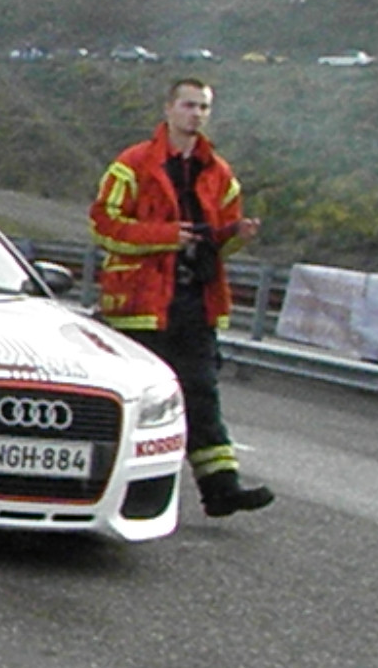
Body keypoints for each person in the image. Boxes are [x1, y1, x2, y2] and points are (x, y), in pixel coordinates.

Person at [90, 78, 273, 516]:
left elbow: (218, 242)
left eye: (204, 107)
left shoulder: (220, 175)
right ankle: (119, 486)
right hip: (139, 308)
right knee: (137, 403)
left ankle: (222, 487)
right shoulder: (133, 165)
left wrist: (236, 237)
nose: (197, 114)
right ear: (169, 108)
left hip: (196, 302)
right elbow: (103, 225)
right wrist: (166, 237)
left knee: (201, 394)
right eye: (189, 105)